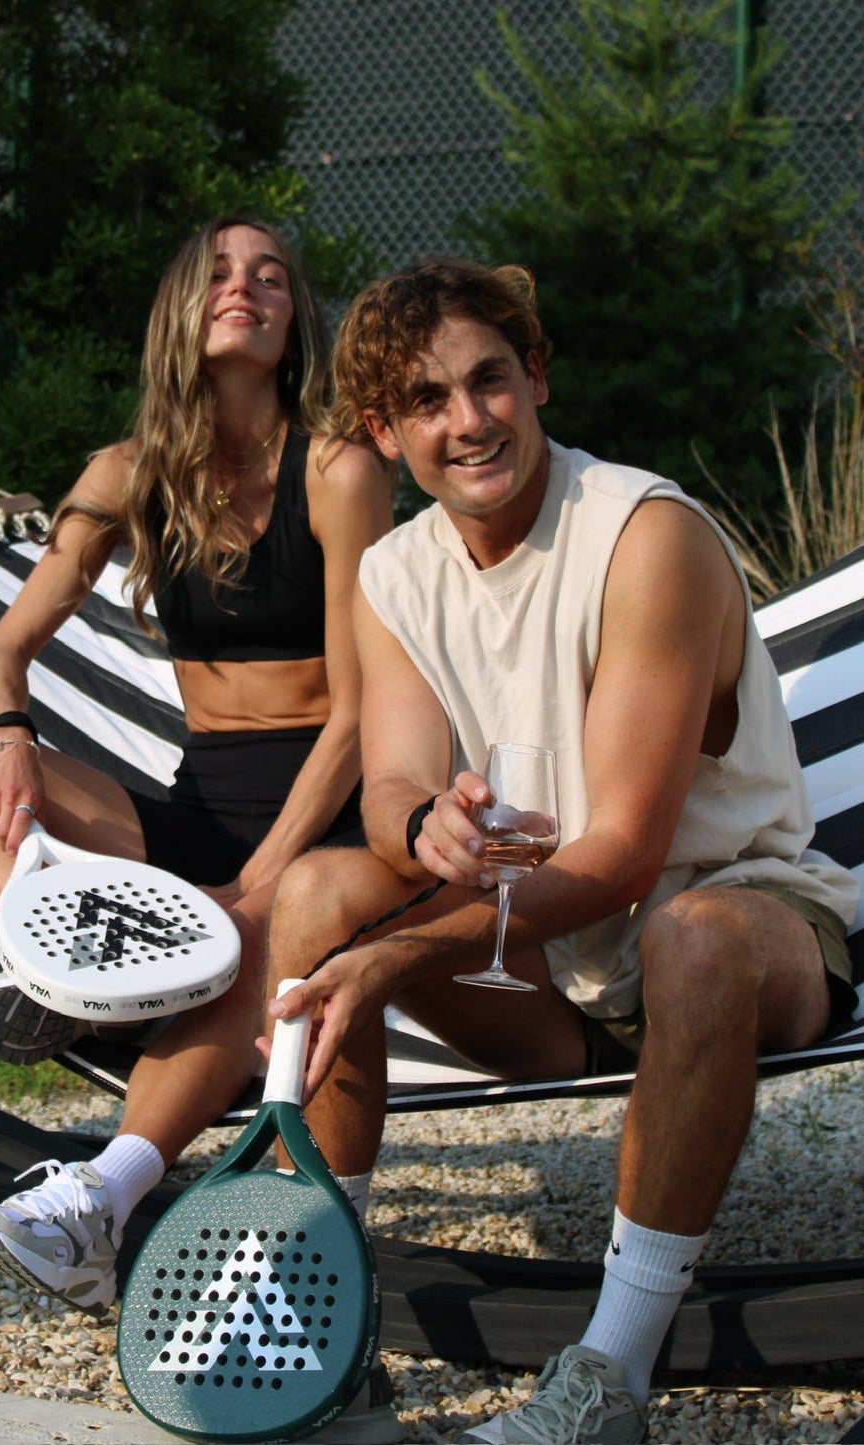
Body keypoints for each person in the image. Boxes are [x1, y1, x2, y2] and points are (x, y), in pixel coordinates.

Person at [260, 258, 859, 1445]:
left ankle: (605, 1382)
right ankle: (324, 1324)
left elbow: (631, 854)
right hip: (549, 962)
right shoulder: (394, 572)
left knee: (688, 937)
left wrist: (391, 959)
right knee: (319, 887)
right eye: (426, 401)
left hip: (744, 924)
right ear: (385, 434)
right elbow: (386, 781)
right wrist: (416, 824)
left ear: (536, 377)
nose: (466, 420)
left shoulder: (644, 536)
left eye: (488, 379)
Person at [0, 218, 392, 1334]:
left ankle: (93, 1202)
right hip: (196, 798)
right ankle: (42, 940)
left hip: (322, 811)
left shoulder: (339, 470)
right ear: (179, 307)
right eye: (218, 272)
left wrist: (259, 884)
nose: (244, 287)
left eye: (268, 276)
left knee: (259, 943)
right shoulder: (124, 475)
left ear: (290, 319)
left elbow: (361, 716)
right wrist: (8, 731)